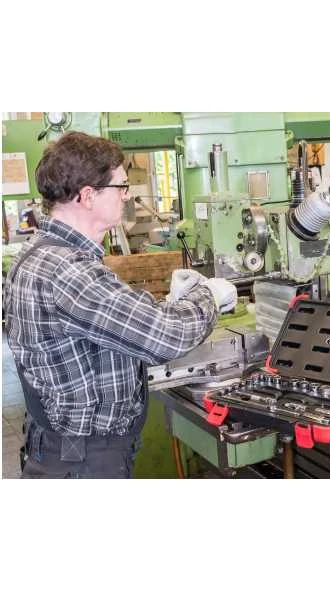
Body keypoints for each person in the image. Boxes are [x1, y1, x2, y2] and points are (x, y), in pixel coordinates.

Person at [3, 131, 237, 479]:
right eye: (121, 186)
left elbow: (99, 326)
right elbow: (167, 337)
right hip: (85, 462)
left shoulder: (42, 253)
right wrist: (210, 295)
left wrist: (170, 303)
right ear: (88, 196)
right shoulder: (67, 270)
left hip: (60, 448)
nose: (126, 195)